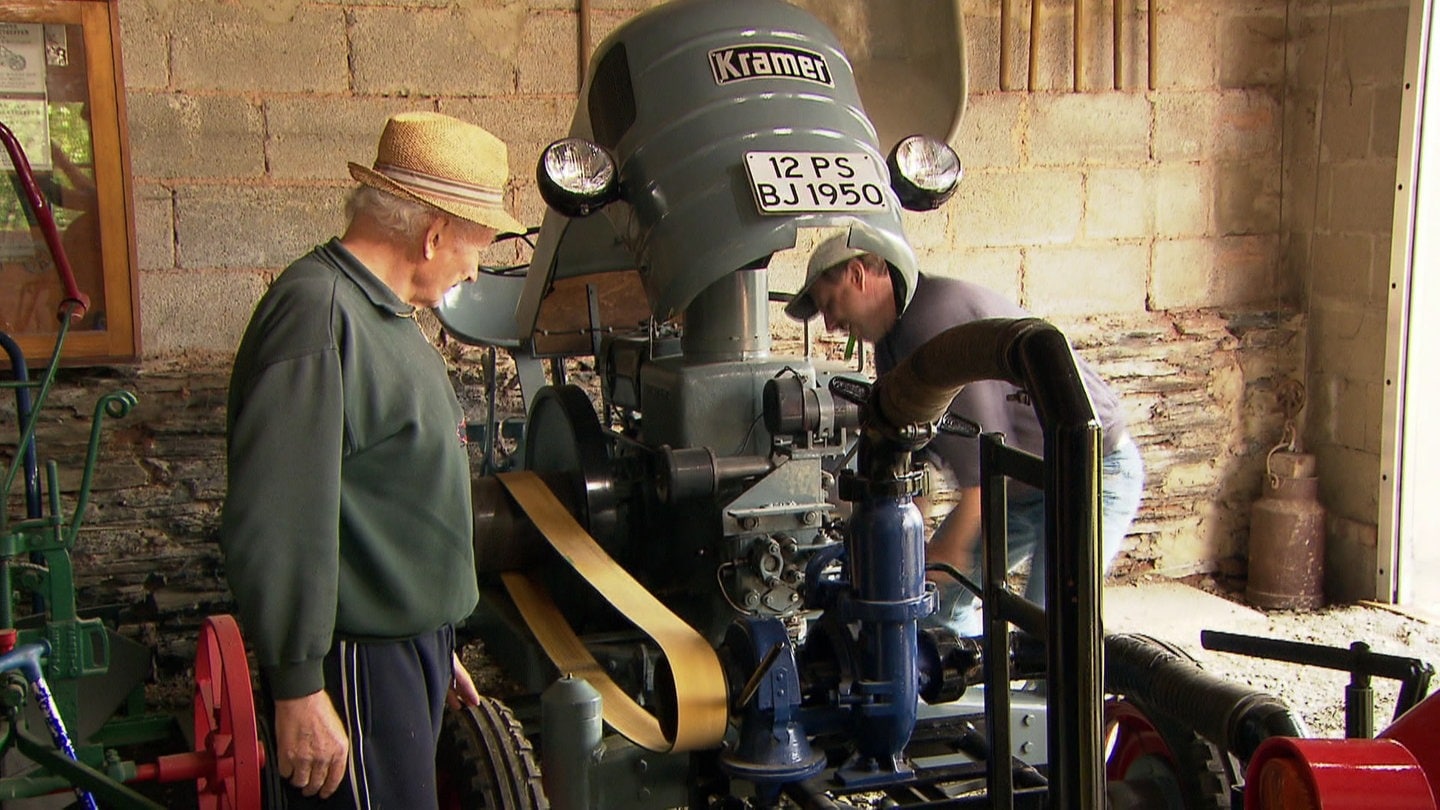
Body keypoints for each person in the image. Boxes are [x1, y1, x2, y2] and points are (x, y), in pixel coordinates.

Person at [220, 111, 524, 807]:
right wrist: (298, 685)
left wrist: (432, 635)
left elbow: (385, 496)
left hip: (401, 649)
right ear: (434, 232)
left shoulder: (379, 315)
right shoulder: (318, 314)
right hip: (354, 662)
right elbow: (279, 515)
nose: (474, 267)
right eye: (475, 245)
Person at [785, 223, 1144, 636]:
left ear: (858, 276)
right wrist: (913, 550)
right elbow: (907, 449)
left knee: (1055, 628)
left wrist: (947, 551)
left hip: (1090, 471)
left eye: (830, 304)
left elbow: (985, 453)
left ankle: (1047, 691)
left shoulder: (934, 320)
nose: (830, 325)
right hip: (1018, 484)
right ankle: (960, 683)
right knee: (939, 610)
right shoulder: (891, 343)